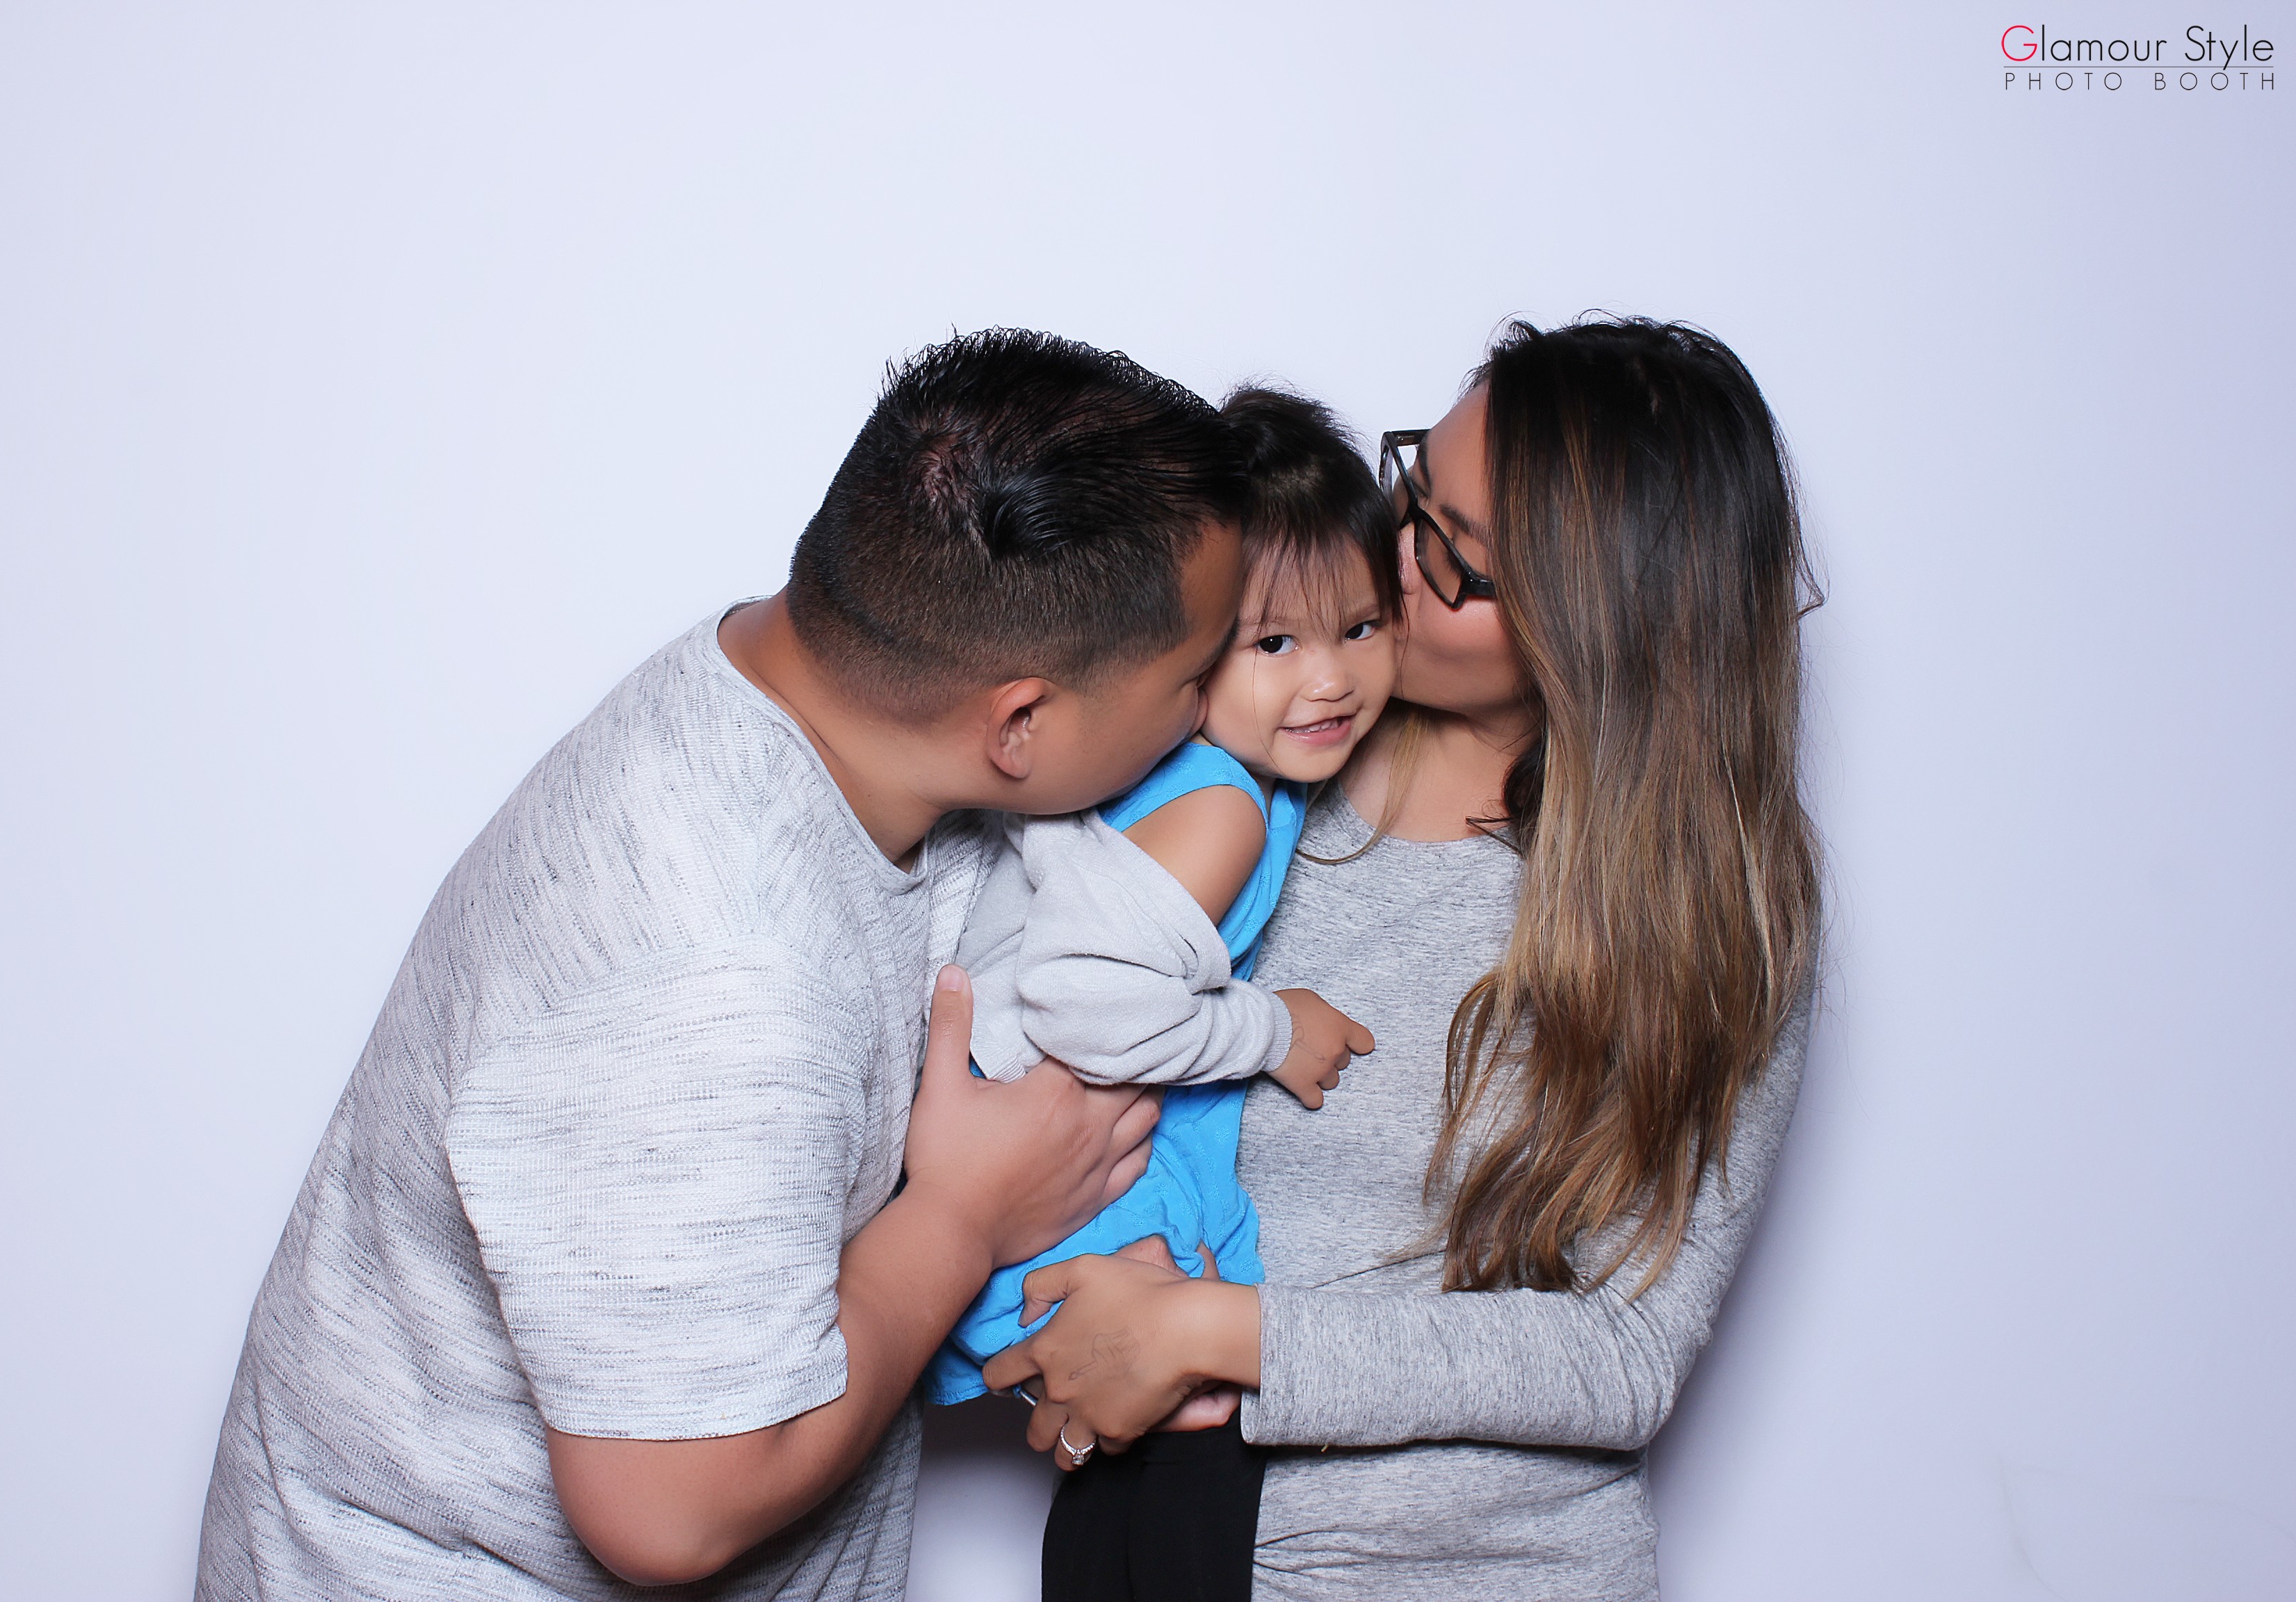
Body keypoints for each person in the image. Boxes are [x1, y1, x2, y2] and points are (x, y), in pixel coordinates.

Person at [195, 328, 1251, 1601]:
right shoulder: (720, 971)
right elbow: (667, 1511)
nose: (1210, 707)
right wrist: (965, 1219)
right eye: (1195, 674)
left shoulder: (803, 676)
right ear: (1018, 720)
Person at [987, 316, 1825, 1601]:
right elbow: (1025, 1031)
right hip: (1158, 1536)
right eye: (1410, 489)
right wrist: (1059, 1309)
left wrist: (1214, 1333)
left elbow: (1624, 1355)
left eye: (1452, 554)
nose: (1390, 556)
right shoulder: (1244, 747)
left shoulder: (1716, 905)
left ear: (1601, 623)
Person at [925, 387, 1398, 1602]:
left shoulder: (1206, 775)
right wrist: (1271, 1030)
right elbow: (1082, 1008)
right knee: (1203, 1436)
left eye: (1361, 627)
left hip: (1058, 1174)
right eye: (1274, 644)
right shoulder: (1220, 807)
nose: (1332, 680)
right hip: (1070, 1183)